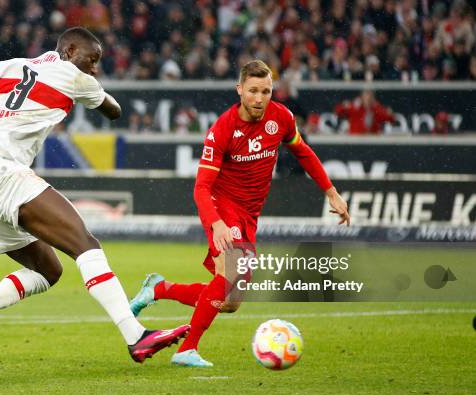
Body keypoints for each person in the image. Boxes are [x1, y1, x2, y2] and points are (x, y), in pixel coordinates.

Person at [0, 27, 189, 369]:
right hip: (2, 172)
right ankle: (135, 335)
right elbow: (115, 112)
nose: (94, 68)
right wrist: (100, 94)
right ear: (69, 51)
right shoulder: (73, 75)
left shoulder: (11, 66)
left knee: (48, 270)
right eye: (91, 59)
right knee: (86, 244)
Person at [129, 60, 350, 367]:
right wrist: (216, 223)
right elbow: (201, 188)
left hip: (249, 215)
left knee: (230, 302)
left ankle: (159, 289)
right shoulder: (223, 129)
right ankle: (186, 349)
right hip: (223, 207)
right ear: (240, 90)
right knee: (227, 275)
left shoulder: (281, 117)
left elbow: (303, 152)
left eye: (266, 91)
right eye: (253, 91)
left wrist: (331, 191)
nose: (260, 98)